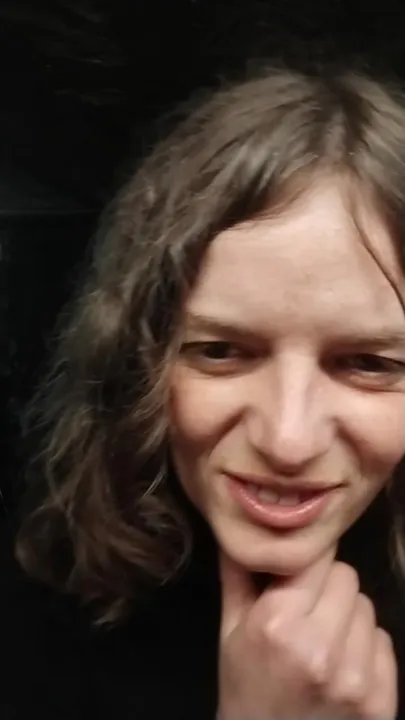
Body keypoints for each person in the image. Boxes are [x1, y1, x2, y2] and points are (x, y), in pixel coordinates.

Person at [12, 64, 405, 719]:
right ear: (139, 365)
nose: (287, 441)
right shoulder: (34, 624)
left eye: (367, 363)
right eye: (220, 352)